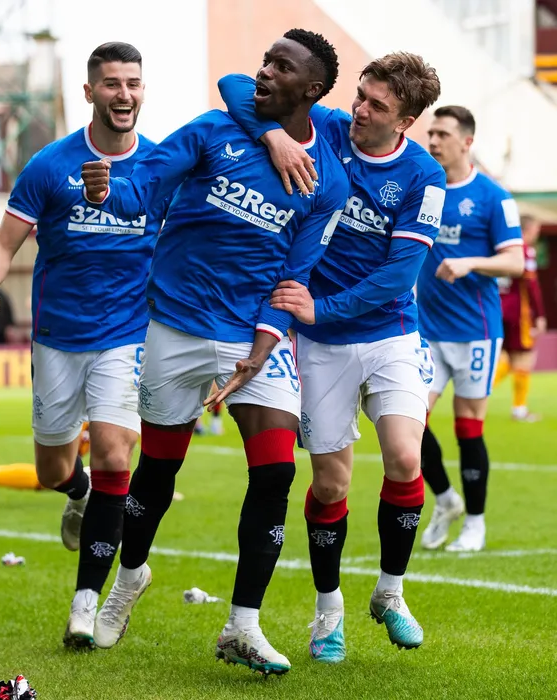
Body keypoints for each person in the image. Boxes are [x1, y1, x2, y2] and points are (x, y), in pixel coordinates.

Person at [81, 29, 348, 675]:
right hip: (175, 328)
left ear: (311, 89)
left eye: (281, 66)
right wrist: (103, 192)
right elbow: (142, 187)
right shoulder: (213, 129)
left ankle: (242, 625)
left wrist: (262, 346)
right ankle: (129, 578)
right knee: (158, 471)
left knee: (276, 473)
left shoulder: (327, 182)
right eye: (265, 60)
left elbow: (295, 273)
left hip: (252, 336)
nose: (264, 71)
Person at [219, 51, 445, 661]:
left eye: (377, 105)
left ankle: (390, 592)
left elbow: (399, 275)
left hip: (390, 331)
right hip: (320, 346)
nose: (359, 109)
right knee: (329, 481)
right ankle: (328, 612)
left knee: (405, 456)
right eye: (361, 95)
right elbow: (235, 84)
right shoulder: (327, 129)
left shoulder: (424, 177)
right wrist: (273, 134)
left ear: (405, 121)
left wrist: (322, 308)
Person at [0, 42, 167, 649]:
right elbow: (3, 244)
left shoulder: (161, 168)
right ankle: (76, 494)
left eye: (133, 83)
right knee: (54, 469)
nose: (124, 94)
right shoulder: (50, 165)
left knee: (114, 455)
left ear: (142, 90)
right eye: (111, 84)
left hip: (126, 336)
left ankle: (86, 605)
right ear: (89, 92)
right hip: (57, 337)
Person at [418, 106, 524, 553]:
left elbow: (515, 262)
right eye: (431, 133)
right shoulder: (423, 187)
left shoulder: (493, 197)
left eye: (442, 134)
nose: (433, 141)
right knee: (408, 422)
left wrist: (470, 263)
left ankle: (475, 524)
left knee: (468, 428)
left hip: (475, 331)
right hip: (424, 329)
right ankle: (446, 500)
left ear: (467, 141)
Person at [494, 214, 546, 421]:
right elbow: (531, 285)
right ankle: (518, 409)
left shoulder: (500, 249)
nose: (537, 234)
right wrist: (539, 314)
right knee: (524, 358)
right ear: (527, 230)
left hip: (497, 310)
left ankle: (479, 388)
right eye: (536, 230)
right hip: (518, 313)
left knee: (506, 356)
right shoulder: (525, 251)